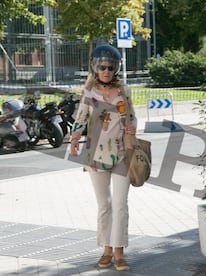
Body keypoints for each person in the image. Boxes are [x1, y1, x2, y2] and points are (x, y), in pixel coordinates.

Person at [69, 44, 136, 271]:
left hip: (121, 154)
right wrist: (75, 139)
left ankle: (119, 252)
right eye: (102, 67)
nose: (106, 70)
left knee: (120, 204)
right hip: (95, 154)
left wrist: (132, 128)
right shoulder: (88, 93)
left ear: (115, 68)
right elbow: (80, 119)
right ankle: (106, 249)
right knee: (104, 205)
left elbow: (133, 118)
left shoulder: (124, 92)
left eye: (110, 67)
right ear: (95, 68)